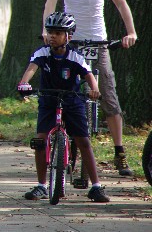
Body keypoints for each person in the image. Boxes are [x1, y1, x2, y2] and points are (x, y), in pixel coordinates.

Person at [42, 0, 138, 176]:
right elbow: (50, 2)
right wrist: (47, 30)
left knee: (108, 96)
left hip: (97, 43)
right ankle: (66, 147)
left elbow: (120, 2)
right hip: (70, 42)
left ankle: (119, 152)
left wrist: (131, 32)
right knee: (67, 94)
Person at [18, 12, 109, 203]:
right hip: (49, 101)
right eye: (50, 32)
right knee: (40, 141)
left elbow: (89, 75)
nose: (52, 36)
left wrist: (94, 90)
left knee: (83, 141)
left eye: (58, 33)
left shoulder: (75, 57)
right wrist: (24, 83)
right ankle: (42, 185)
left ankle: (96, 187)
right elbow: (31, 69)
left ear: (68, 36)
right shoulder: (42, 53)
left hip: (72, 101)